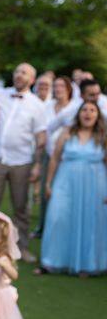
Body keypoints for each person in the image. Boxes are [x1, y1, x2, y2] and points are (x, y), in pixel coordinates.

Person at [0, 63, 47, 263]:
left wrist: (36, 165)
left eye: (24, 73)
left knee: (21, 208)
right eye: (17, 71)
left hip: (22, 162)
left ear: (32, 79)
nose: (19, 75)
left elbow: (41, 138)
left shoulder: (37, 105)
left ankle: (21, 248)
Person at [36, 101, 107, 276]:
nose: (88, 113)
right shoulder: (67, 132)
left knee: (90, 222)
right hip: (65, 182)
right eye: (84, 110)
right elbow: (55, 158)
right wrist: (47, 183)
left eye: (92, 110)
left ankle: (86, 265)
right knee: (58, 218)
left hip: (95, 184)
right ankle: (51, 262)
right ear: (78, 113)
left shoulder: (103, 136)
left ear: (97, 115)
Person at [33, 75, 73, 238]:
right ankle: (42, 227)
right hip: (48, 155)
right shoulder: (47, 106)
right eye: (55, 86)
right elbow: (42, 131)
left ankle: (63, 229)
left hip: (67, 158)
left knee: (63, 194)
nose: (57, 89)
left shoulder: (75, 108)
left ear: (68, 89)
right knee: (45, 192)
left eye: (61, 86)